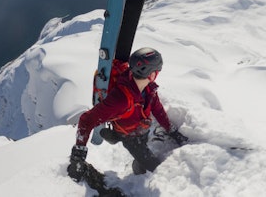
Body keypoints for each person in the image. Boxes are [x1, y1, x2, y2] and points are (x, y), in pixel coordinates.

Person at [67, 47, 188, 182]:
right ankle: (137, 172)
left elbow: (157, 109)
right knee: (156, 169)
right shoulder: (121, 99)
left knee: (142, 155)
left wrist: (171, 130)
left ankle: (136, 164)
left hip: (142, 130)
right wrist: (78, 155)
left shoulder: (149, 89)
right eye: (157, 71)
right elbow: (86, 119)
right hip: (130, 137)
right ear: (151, 74)